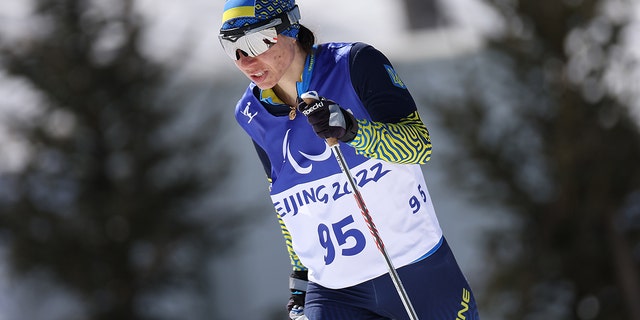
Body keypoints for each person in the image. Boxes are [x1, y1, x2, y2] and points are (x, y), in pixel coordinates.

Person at [218, 1, 480, 319]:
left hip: (414, 271)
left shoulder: (354, 63)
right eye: (231, 47)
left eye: (254, 42)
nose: (245, 61)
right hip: (333, 292)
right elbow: (288, 205)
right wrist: (300, 278)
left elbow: (418, 146)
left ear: (289, 28)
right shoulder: (251, 113)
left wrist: (353, 130)